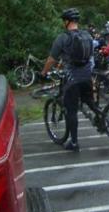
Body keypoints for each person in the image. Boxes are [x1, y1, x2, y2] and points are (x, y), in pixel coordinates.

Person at [41, 8, 96, 152]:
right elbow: (90, 56)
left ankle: (74, 142)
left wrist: (44, 72)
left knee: (71, 110)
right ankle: (104, 122)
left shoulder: (62, 38)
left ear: (66, 21)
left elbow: (51, 59)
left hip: (72, 79)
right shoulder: (87, 35)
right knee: (90, 102)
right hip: (87, 76)